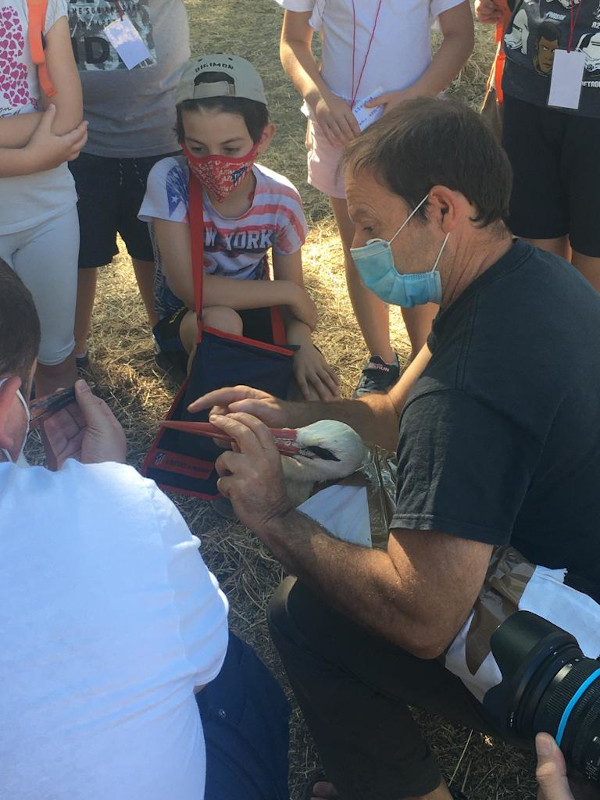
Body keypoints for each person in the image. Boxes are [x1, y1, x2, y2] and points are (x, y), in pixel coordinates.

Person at [189, 98, 600, 800]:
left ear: (441, 209)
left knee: (302, 615)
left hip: (572, 651)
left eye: (372, 226)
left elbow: (425, 615)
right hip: (575, 568)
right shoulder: (526, 275)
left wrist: (271, 517)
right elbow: (386, 413)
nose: (358, 249)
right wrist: (289, 408)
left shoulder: (468, 387)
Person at [0, 260, 231, 798]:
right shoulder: (124, 505)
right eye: (28, 393)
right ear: (9, 392)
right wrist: (110, 486)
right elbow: (207, 662)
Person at [275, 0, 473, 396]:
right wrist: (319, 99)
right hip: (340, 128)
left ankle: (423, 360)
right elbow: (293, 41)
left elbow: (460, 36)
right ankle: (381, 359)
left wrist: (415, 97)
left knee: (418, 250)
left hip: (410, 127)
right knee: (362, 249)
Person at [139, 54, 340, 401]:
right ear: (180, 138)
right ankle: (211, 424)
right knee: (221, 322)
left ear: (263, 138)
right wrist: (288, 293)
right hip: (186, 321)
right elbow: (191, 291)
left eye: (231, 148)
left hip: (257, 315)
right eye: (197, 148)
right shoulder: (169, 180)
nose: (214, 163)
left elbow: (300, 314)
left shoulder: (281, 198)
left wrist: (302, 343)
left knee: (314, 392)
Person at [68, 0, 189, 362]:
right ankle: (70, 352)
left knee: (156, 251)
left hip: (159, 137)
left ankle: (168, 337)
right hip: (77, 140)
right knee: (75, 255)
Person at [475, 0, 600, 292]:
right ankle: (550, 333)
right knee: (534, 236)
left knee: (594, 247)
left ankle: (586, 336)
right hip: (528, 86)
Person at [0, 0, 88, 396]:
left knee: (56, 361)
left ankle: (67, 462)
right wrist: (32, 156)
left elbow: (68, 118)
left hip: (48, 214)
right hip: (44, 188)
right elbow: (57, 121)